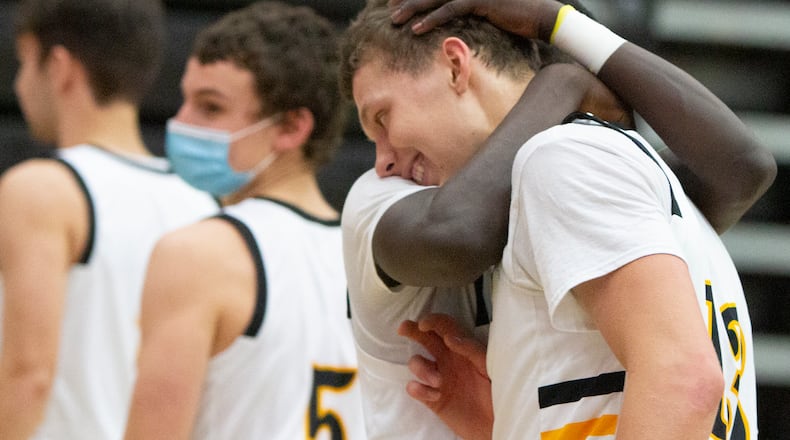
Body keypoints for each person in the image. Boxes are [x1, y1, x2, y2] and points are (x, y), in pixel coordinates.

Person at [339, 0, 777, 438]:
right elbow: (742, 169)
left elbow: (684, 381)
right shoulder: (641, 179)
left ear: (456, 64)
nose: (382, 162)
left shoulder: (562, 162)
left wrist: (562, 64)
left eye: (382, 118)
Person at [123, 2, 365, 439]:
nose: (180, 123)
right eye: (186, 100)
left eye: (210, 108)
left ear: (291, 127)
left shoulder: (198, 255)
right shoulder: (370, 259)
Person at [0, 1, 220, 439]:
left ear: (60, 66)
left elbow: (29, 375)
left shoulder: (41, 190)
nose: (20, 84)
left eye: (25, 63)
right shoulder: (204, 203)